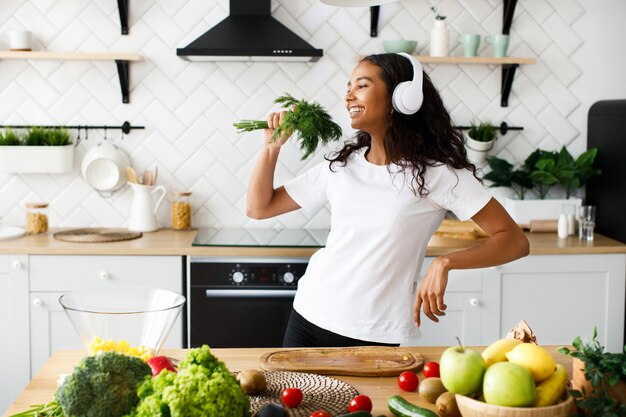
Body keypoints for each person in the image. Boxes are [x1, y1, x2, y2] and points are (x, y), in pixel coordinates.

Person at [246, 53, 529, 348]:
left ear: (401, 97)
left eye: (362, 85)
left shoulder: (439, 175)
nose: (348, 96)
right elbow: (259, 207)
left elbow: (514, 240)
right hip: (310, 315)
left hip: (376, 333)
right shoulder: (341, 166)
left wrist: (446, 262)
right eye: (348, 87)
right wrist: (271, 148)